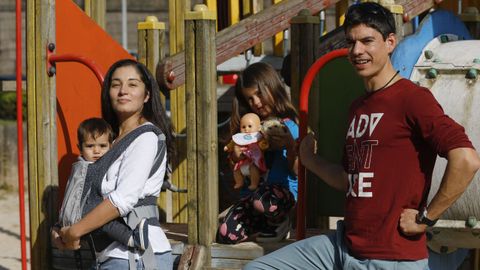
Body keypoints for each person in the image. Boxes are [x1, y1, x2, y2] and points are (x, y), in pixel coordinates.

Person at [245, 2, 480, 269]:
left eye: (368, 41)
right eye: (352, 42)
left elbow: (466, 159)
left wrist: (426, 218)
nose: (357, 51)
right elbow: (349, 179)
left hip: (390, 257)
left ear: (390, 42)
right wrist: (309, 160)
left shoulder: (412, 98)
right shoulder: (359, 106)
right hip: (345, 245)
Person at [58, 59, 175, 270]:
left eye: (132, 84)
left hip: (137, 257)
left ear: (147, 94)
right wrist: (61, 228)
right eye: (115, 84)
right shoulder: (107, 142)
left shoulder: (146, 137)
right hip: (110, 256)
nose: (123, 91)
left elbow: (123, 199)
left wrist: (75, 231)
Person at [217, 62, 298, 244]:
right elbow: (239, 170)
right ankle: (260, 225)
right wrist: (237, 155)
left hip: (279, 198)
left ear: (273, 86)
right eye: (250, 99)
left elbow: (299, 172)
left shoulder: (288, 126)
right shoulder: (249, 129)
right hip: (253, 198)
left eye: (259, 94)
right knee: (225, 234)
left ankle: (279, 223)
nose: (256, 103)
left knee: (264, 199)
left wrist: (291, 147)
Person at [51, 118, 152, 253]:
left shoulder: (83, 167)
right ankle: (132, 238)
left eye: (102, 146)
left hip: (81, 221)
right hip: (80, 217)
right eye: (90, 146)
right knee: (104, 219)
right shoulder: (82, 168)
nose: (96, 151)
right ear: (79, 148)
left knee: (104, 217)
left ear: (111, 146)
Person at [224, 113, 269, 190]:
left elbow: (263, 144)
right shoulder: (240, 137)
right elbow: (233, 142)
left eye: (250, 126)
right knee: (236, 170)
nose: (246, 129)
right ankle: (239, 182)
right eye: (243, 127)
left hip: (254, 161)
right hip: (243, 162)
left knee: (253, 169)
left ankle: (254, 184)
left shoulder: (258, 137)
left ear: (258, 128)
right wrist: (228, 147)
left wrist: (263, 145)